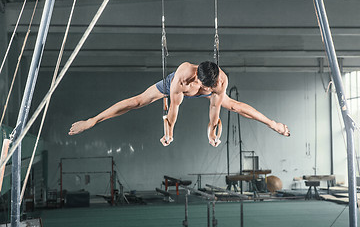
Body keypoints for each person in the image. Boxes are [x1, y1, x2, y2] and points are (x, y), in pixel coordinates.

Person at [68, 61, 290, 146]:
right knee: (137, 101)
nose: (208, 90)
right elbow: (173, 109)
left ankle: (273, 124)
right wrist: (169, 132)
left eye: (211, 87)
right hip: (173, 88)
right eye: (205, 86)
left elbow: (215, 107)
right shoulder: (182, 78)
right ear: (197, 78)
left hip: (204, 91)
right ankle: (92, 120)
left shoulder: (219, 80)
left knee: (235, 106)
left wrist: (211, 133)